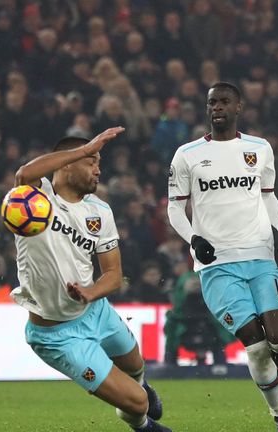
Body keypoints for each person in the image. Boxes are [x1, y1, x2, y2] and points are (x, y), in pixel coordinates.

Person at [10, 128, 170, 432]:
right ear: (68, 163)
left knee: (136, 365)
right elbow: (23, 173)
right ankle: (142, 424)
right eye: (91, 162)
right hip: (57, 334)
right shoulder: (36, 197)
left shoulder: (99, 211)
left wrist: (90, 292)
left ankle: (138, 387)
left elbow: (113, 275)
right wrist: (86, 148)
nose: (98, 170)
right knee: (138, 404)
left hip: (95, 310)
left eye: (99, 163)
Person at [167, 82, 278, 432]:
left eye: (224, 102)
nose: (217, 108)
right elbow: (175, 208)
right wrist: (194, 239)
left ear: (238, 107)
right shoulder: (187, 155)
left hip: (260, 254)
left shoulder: (259, 148)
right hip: (217, 265)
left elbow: (268, 196)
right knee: (255, 347)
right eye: (212, 103)